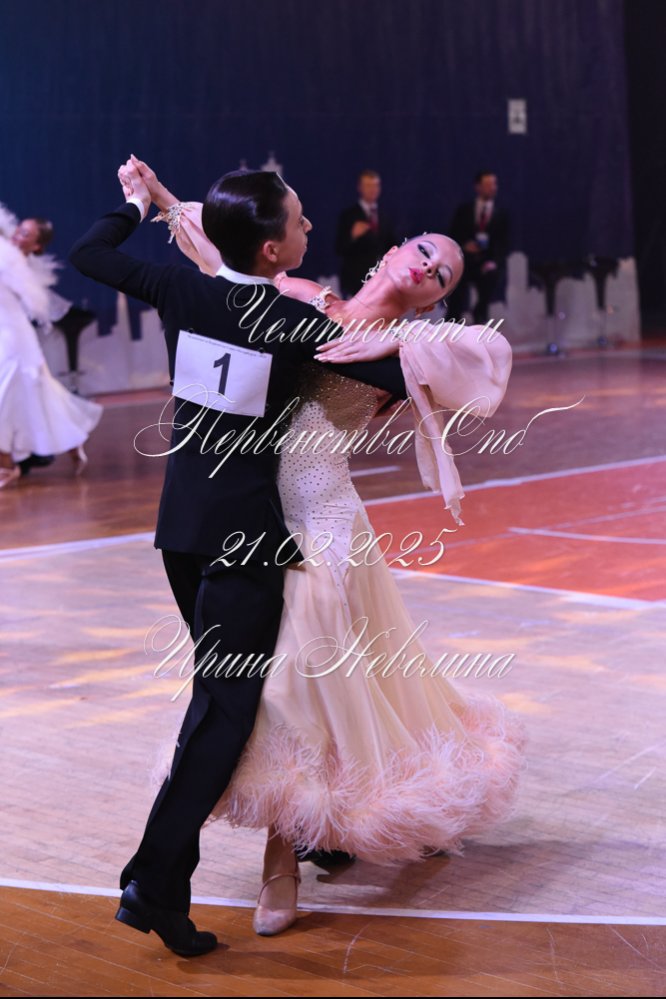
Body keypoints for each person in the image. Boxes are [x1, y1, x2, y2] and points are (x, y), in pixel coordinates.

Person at [132, 158, 524, 938]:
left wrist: (395, 346)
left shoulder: (409, 350)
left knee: (297, 680)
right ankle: (318, 828)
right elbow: (220, 259)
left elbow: (484, 357)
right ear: (394, 247)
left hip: (321, 517)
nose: (426, 265)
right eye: (423, 248)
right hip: (252, 509)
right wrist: (163, 199)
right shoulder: (304, 295)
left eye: (442, 272)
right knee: (273, 683)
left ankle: (282, 857)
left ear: (437, 294)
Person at [69, 159, 411, 957]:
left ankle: (175, 873)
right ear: (271, 251)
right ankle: (153, 881)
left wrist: (133, 205)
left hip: (180, 531)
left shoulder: (181, 291)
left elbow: (89, 254)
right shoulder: (291, 322)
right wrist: (400, 338)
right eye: (298, 220)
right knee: (226, 714)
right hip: (246, 542)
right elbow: (392, 370)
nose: (308, 227)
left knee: (216, 705)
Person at [0, 205, 101, 488]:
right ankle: (73, 441)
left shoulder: (18, 266)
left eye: (26, 234)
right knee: (39, 397)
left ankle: (6, 465)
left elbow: (36, 305)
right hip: (6, 335)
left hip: (14, 340)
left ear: (36, 245)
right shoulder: (7, 256)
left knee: (7, 398)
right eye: (19, 230)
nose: (17, 236)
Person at [447, 171, 510, 325]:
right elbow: (453, 236)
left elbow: (504, 243)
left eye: (494, 184)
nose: (492, 188)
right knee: (456, 287)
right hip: (465, 262)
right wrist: (464, 246)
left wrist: (493, 261)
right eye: (488, 184)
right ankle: (452, 322)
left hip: (487, 262)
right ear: (478, 187)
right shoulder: (464, 210)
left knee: (491, 276)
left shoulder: (502, 214)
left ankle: (480, 314)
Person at [335, 169, 396, 297]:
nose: (373, 189)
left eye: (376, 185)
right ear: (360, 188)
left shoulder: (384, 216)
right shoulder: (349, 215)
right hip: (355, 282)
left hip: (380, 281)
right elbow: (339, 248)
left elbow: (391, 245)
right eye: (368, 185)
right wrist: (352, 236)